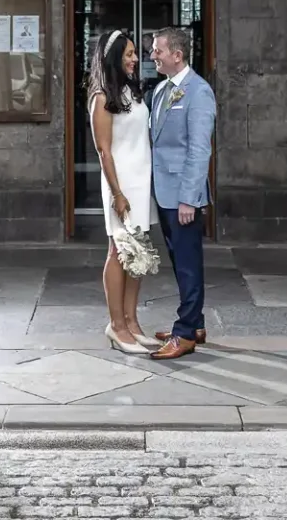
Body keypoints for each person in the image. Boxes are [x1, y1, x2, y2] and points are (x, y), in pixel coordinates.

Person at [146, 26, 215, 359]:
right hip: (164, 191)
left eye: (157, 50)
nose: (152, 55)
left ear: (177, 54)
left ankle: (185, 334)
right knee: (179, 260)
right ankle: (196, 322)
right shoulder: (161, 90)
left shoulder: (198, 92)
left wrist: (190, 197)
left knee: (188, 264)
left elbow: (200, 149)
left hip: (183, 196)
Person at [87, 28, 157, 353]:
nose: (134, 59)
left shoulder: (132, 92)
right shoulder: (101, 98)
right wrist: (117, 193)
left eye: (134, 53)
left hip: (141, 182)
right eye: (128, 54)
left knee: (138, 254)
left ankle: (132, 321)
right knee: (119, 252)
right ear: (114, 57)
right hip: (121, 184)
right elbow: (104, 151)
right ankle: (116, 326)